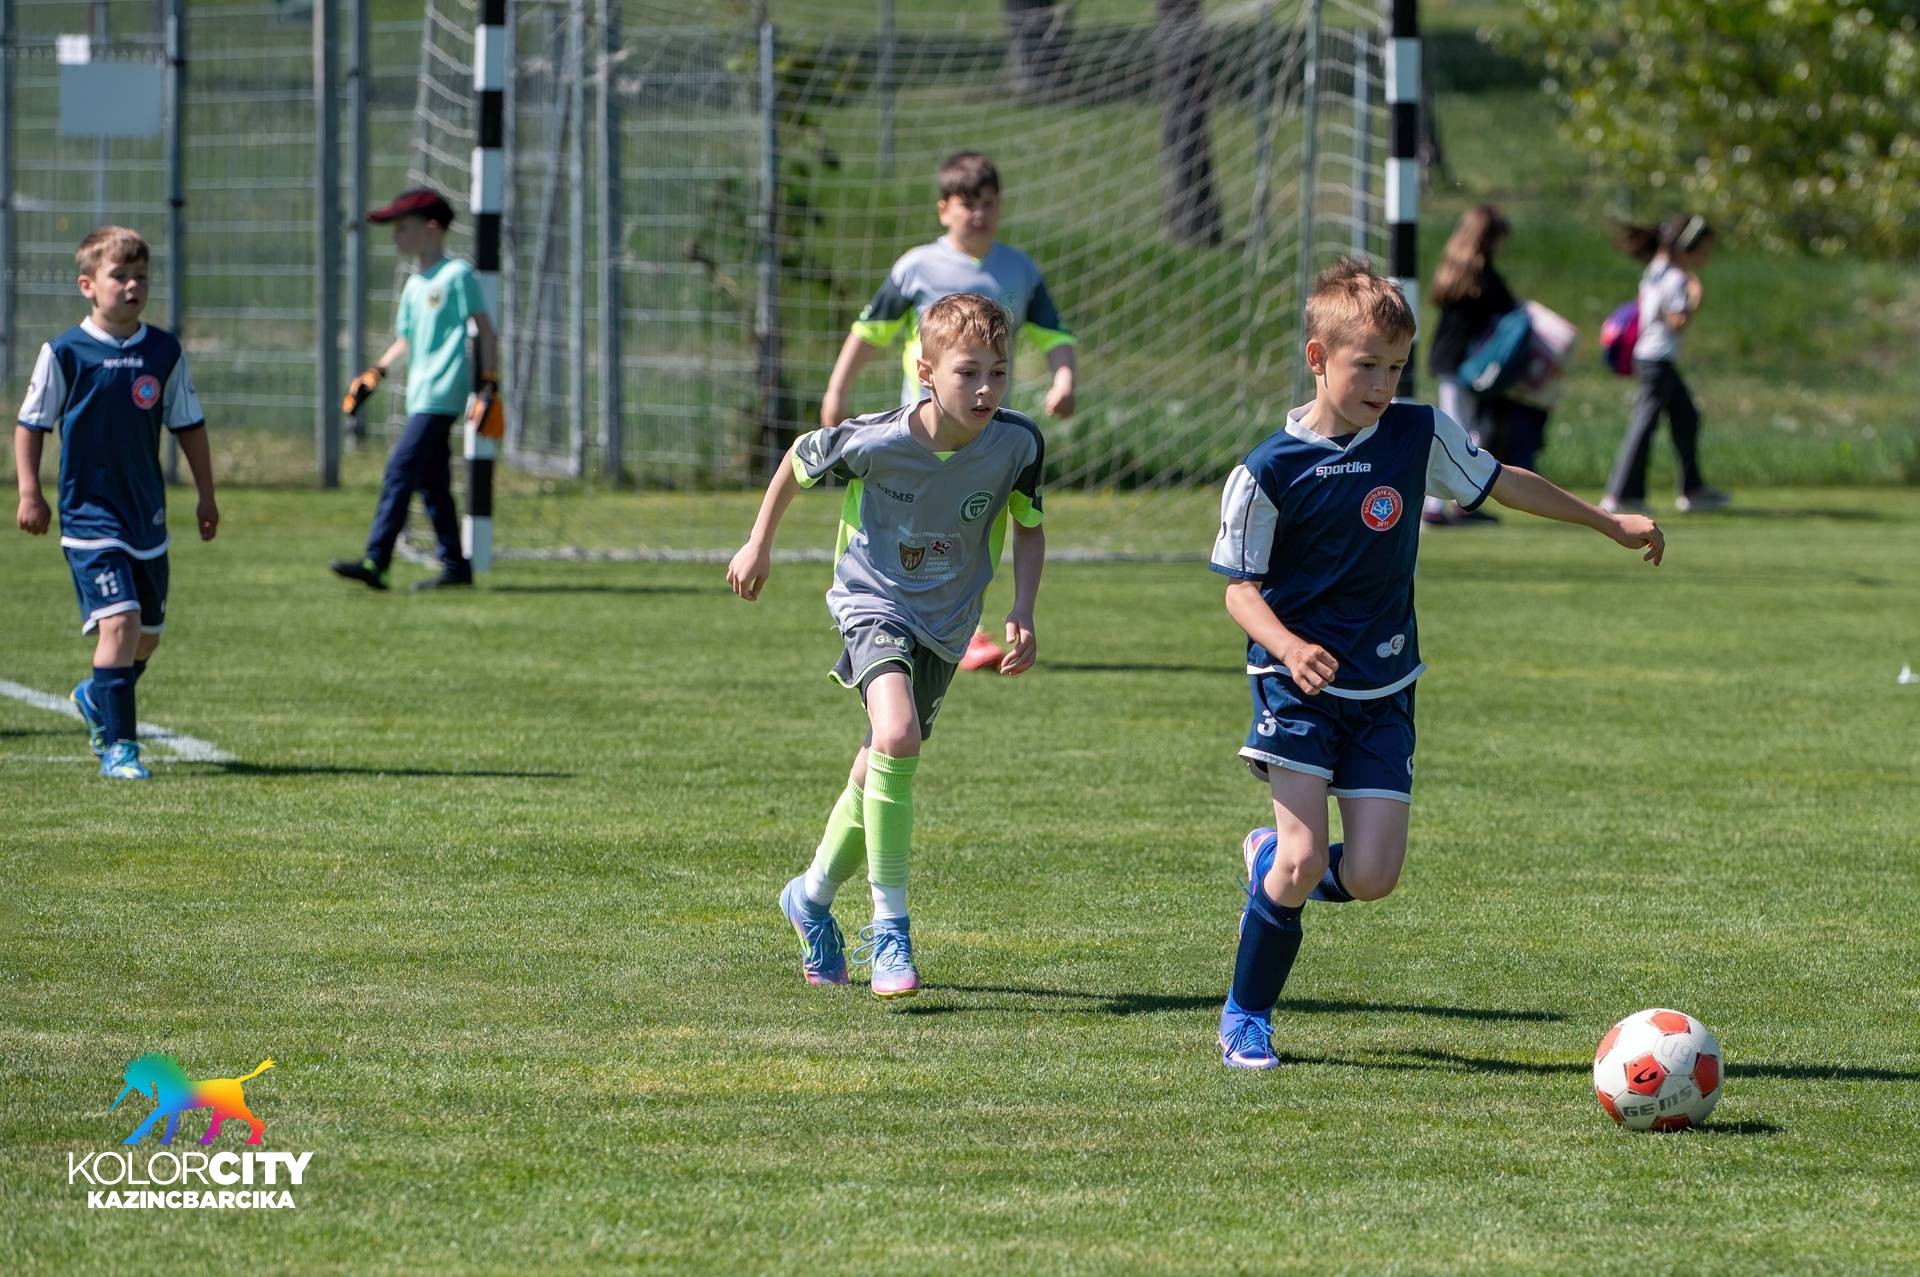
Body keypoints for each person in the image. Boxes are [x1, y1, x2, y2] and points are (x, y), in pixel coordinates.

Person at [1207, 258, 1664, 1070]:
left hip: (1385, 683)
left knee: (1374, 874)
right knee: (1306, 856)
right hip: (1295, 684)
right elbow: (1239, 590)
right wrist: (1289, 646)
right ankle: (1246, 1015)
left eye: (1396, 366)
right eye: (1366, 366)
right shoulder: (1267, 470)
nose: (1384, 384)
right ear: (1317, 358)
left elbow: (1503, 483)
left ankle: (1270, 864)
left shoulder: (1417, 433)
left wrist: (1606, 520)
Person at [727, 293, 1047, 1001]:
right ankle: (890, 927)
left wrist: (1023, 607)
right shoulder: (877, 440)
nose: (986, 389)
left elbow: (1029, 524)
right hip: (871, 601)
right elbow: (799, 459)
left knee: (879, 761)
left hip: (947, 621)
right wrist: (758, 543)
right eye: (968, 373)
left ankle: (810, 898)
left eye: (998, 372)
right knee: (898, 735)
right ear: (925, 372)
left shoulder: (1018, 444)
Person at [819, 151, 1074, 671]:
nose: (979, 214)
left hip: (984, 439)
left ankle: (960, 626)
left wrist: (1064, 377)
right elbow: (870, 332)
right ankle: (898, 619)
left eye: (989, 203)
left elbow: (1054, 334)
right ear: (943, 210)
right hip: (920, 437)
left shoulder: (1018, 269)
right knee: (918, 531)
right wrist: (836, 391)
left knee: (969, 531)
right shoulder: (917, 267)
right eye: (967, 204)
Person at [14, 226, 219, 780]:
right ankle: (120, 748)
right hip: (89, 515)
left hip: (145, 514)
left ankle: (94, 695)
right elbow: (31, 425)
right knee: (121, 624)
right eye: (119, 276)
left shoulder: (164, 351)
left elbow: (189, 426)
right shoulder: (65, 352)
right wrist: (30, 491)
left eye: (141, 276)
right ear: (88, 285)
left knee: (146, 637)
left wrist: (206, 495)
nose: (132, 286)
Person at [329, 187, 498, 592]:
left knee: (400, 469)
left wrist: (489, 384)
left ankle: (377, 561)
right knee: (433, 483)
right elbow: (405, 340)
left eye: (403, 227)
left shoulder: (457, 275)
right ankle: (456, 566)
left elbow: (486, 330)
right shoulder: (413, 285)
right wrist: (376, 373)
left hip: (443, 392)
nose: (396, 237)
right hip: (419, 395)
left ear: (432, 228)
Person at [1425, 204, 1550, 524]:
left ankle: (1460, 503)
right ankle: (1440, 507)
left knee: (1462, 432)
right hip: (1466, 365)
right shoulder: (1483, 278)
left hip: (1449, 361)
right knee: (1459, 435)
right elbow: (1509, 310)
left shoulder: (1454, 270)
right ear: (1488, 239)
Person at [1601, 214, 1729, 515]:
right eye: (1703, 250)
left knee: (1686, 417)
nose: (1706, 257)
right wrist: (1695, 299)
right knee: (1644, 424)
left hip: (1652, 358)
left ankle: (1693, 488)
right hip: (1657, 359)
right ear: (1688, 247)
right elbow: (1676, 323)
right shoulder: (1675, 278)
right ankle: (1622, 494)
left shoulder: (1657, 270)